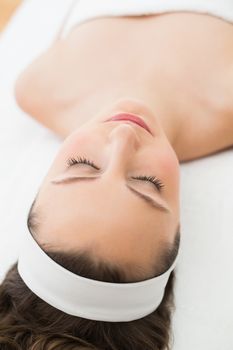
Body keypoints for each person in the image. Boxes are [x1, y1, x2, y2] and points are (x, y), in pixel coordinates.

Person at [0, 1, 233, 349]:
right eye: (147, 183)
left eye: (81, 164)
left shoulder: (39, 87)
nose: (123, 138)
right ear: (178, 227)